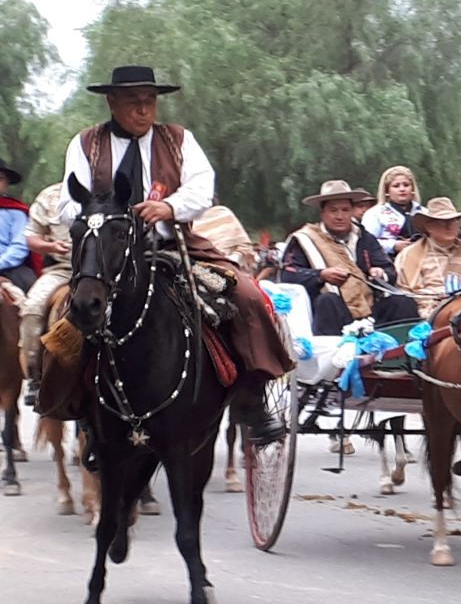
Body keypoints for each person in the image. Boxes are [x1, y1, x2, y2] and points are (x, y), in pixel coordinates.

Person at [59, 66, 292, 445]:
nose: (143, 109)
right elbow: (68, 203)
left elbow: (204, 187)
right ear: (112, 102)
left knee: (247, 295)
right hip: (106, 257)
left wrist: (169, 207)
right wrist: (105, 216)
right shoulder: (86, 144)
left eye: (149, 101)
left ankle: (252, 398)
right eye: (133, 101)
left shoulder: (179, 139)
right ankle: (76, 404)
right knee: (64, 317)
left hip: (169, 246)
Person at [281, 180, 419, 334]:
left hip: (371, 309)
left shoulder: (365, 238)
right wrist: (321, 275)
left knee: (403, 302)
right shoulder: (305, 240)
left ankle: (407, 354)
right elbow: (288, 274)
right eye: (333, 210)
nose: (340, 216)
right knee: (327, 301)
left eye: (345, 210)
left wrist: (381, 273)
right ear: (323, 213)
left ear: (352, 211)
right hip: (334, 312)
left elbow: (389, 270)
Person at [18, 182, 69, 406]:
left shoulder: (112, 189)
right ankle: (35, 377)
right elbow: (31, 238)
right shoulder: (50, 196)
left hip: (108, 271)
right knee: (32, 309)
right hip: (62, 270)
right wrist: (51, 247)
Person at [395, 197, 461, 318]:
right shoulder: (410, 255)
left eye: (453, 221)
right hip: (429, 314)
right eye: (442, 222)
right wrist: (437, 298)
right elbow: (407, 293)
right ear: (429, 227)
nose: (449, 226)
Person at [361, 165, 423, 258]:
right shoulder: (375, 214)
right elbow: (366, 243)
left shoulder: (425, 213)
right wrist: (393, 245)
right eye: (396, 186)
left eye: (406, 185)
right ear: (387, 191)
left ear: (413, 189)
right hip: (388, 262)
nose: (402, 189)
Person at [0, 159, 36, 293]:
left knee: (36, 299)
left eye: (0, 179)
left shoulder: (16, 212)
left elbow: (19, 246)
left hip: (10, 269)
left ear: (7, 183)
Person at [193, 202, 257, 273]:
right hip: (194, 265)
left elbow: (245, 245)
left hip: (227, 265)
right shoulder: (184, 218)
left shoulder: (223, 213)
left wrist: (233, 259)